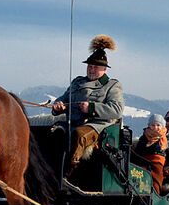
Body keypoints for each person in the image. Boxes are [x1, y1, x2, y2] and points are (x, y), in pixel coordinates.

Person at [51, 35, 125, 177]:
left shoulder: (112, 86)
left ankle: (70, 172)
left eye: (95, 67)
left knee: (80, 135)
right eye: (89, 66)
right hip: (70, 123)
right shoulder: (77, 82)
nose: (91, 69)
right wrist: (58, 105)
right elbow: (64, 98)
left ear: (104, 69)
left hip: (96, 126)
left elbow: (117, 110)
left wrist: (91, 108)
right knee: (53, 133)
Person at [131, 113, 169, 194]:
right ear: (149, 126)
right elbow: (138, 152)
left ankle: (156, 194)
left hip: (158, 163)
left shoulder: (165, 139)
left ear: (162, 126)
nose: (155, 128)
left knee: (157, 174)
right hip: (144, 162)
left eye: (158, 125)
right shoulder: (144, 138)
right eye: (153, 125)